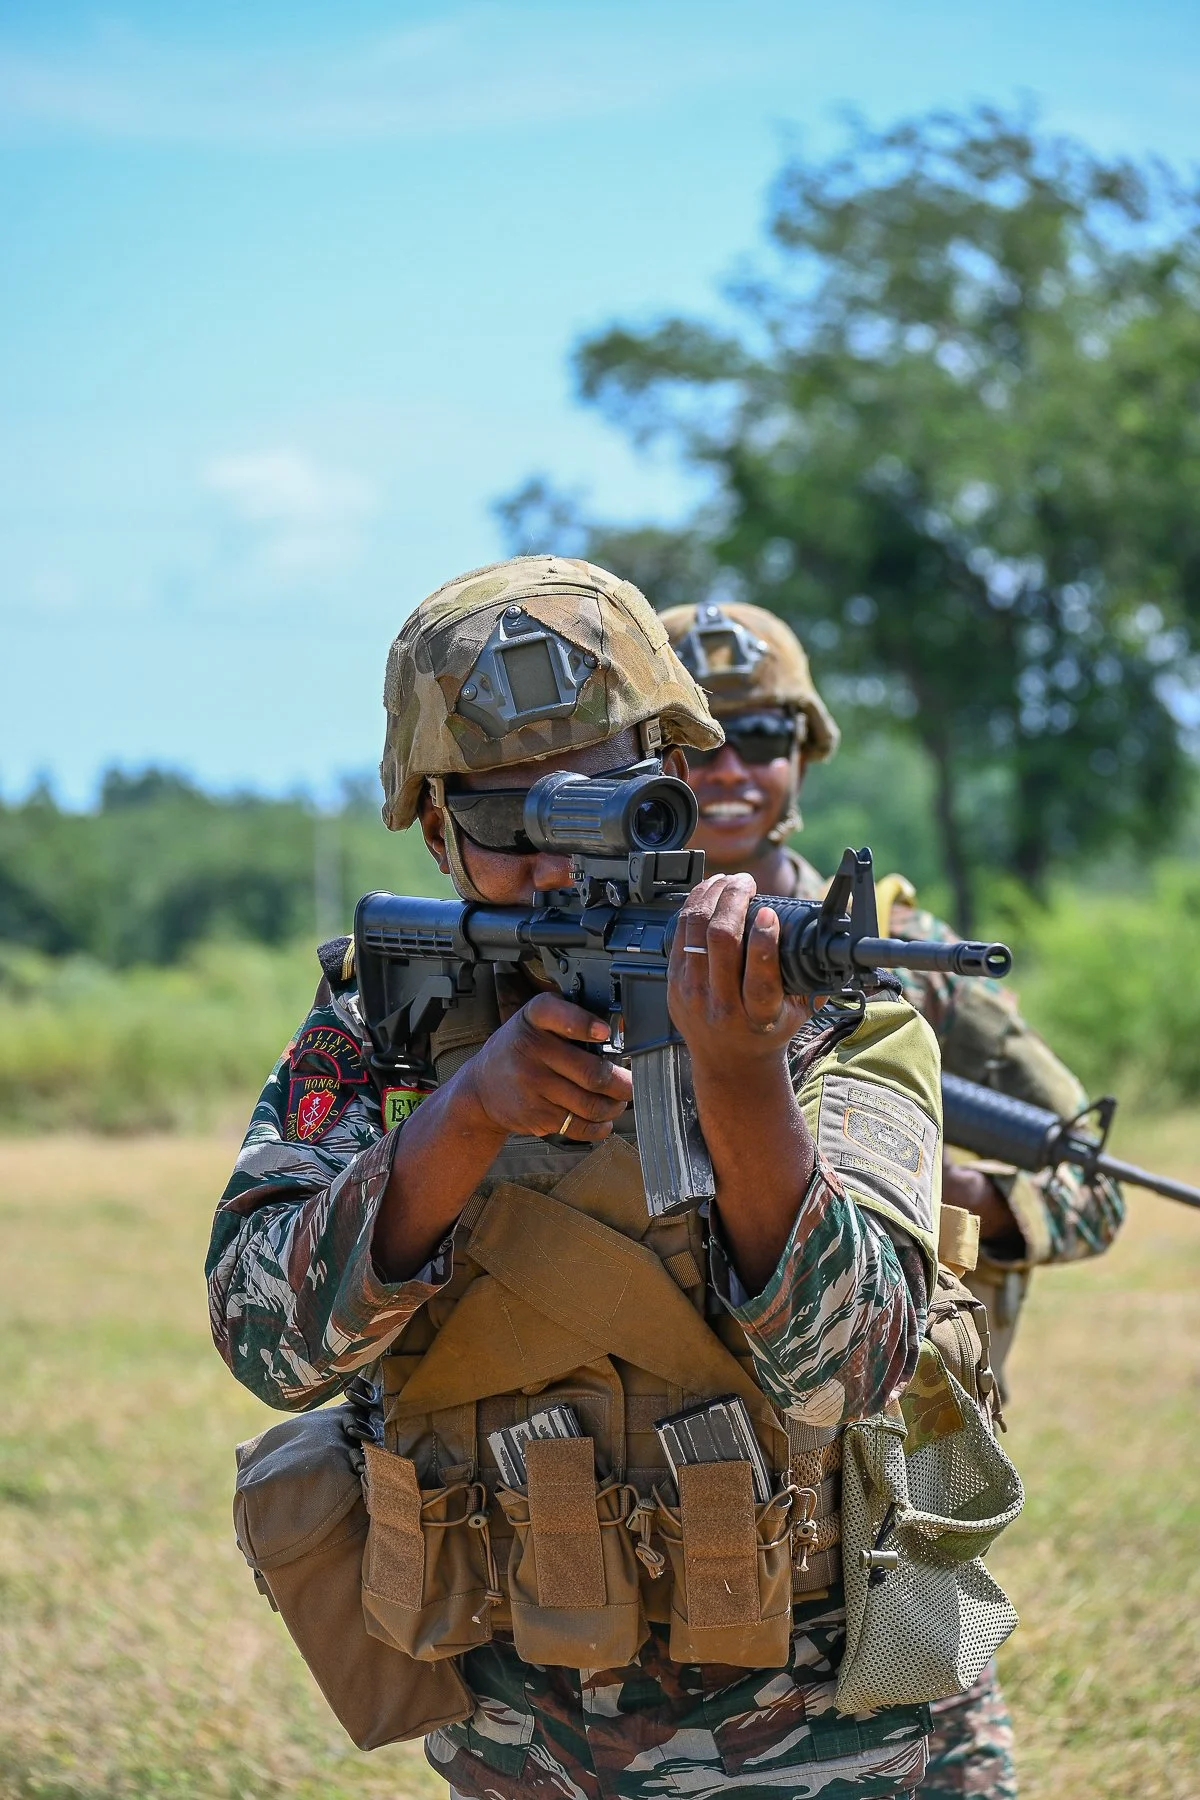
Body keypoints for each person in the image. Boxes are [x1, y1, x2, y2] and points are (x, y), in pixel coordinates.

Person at [208, 555, 971, 1799]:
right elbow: (266, 1344)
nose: (566, 858)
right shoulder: (386, 1023)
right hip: (514, 1708)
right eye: (514, 825)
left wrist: (742, 1082)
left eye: (612, 800)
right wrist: (461, 1122)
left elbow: (859, 1367)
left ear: (673, 787)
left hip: (799, 1720)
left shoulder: (837, 1020)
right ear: (438, 829)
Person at [661, 597, 1126, 1800]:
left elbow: (1092, 1188)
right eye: (695, 738)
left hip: (879, 1483)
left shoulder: (905, 956)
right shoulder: (563, 949)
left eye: (761, 735)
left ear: (805, 756)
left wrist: (953, 1186)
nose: (730, 767)